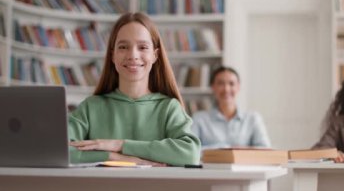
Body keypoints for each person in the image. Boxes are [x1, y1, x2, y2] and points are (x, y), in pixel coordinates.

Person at [69, 12, 201, 166]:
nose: (133, 55)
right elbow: (59, 151)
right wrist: (115, 157)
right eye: (123, 47)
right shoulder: (90, 107)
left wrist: (121, 145)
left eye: (142, 47)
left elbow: (190, 154)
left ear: (155, 55)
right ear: (113, 55)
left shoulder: (169, 108)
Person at [191, 66, 271, 149]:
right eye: (220, 83)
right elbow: (192, 149)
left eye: (231, 83)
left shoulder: (253, 118)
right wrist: (224, 148)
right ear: (213, 87)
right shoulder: (199, 119)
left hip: (245, 162)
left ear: (238, 87)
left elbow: (265, 149)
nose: (226, 89)